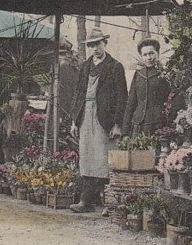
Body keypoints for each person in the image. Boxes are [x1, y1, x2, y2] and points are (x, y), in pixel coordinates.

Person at [69, 28, 127, 214]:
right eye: (91, 45)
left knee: (105, 158)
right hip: (85, 115)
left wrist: (117, 123)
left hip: (105, 118)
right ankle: (87, 201)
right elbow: (78, 94)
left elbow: (121, 97)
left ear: (105, 43)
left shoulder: (115, 66)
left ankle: (111, 204)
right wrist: (74, 121)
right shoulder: (85, 67)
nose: (95, 48)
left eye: (98, 43)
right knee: (87, 156)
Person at [121, 38, 172, 138]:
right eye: (145, 55)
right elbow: (131, 103)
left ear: (157, 53)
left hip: (158, 124)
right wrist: (125, 132)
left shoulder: (165, 73)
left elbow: (171, 100)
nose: (148, 58)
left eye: (151, 53)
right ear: (141, 56)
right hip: (138, 125)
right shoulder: (138, 74)